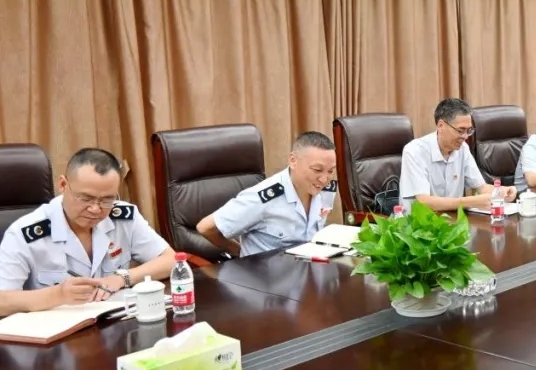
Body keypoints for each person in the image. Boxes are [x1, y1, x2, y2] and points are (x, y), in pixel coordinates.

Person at [0, 148, 176, 316]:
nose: (95, 209)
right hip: (56, 329)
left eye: (107, 200)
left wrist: (122, 278)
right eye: (85, 198)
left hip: (113, 322)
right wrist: (58, 294)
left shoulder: (123, 218)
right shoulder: (25, 233)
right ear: (63, 185)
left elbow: (172, 260)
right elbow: (2, 301)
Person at [197, 131, 340, 258]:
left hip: (307, 268)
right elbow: (206, 227)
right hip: (266, 275)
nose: (324, 179)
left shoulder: (326, 188)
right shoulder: (263, 198)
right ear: (293, 161)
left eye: (330, 171)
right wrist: (238, 251)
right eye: (317, 170)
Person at [399, 98, 514, 213]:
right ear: (440, 126)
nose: (465, 137)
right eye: (460, 130)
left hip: (452, 220)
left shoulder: (463, 149)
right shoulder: (414, 151)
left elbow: (481, 187)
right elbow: (423, 202)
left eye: (469, 130)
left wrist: (501, 192)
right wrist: (471, 201)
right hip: (418, 222)